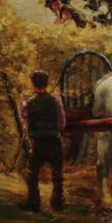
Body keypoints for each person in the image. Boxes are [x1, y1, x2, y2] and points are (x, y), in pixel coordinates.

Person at [20, 70, 66, 212]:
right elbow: (61, 124)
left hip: (37, 143)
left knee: (32, 175)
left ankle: (34, 203)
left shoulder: (27, 104)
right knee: (57, 174)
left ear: (33, 83)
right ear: (47, 83)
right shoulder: (56, 101)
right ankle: (57, 203)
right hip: (53, 142)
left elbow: (25, 121)